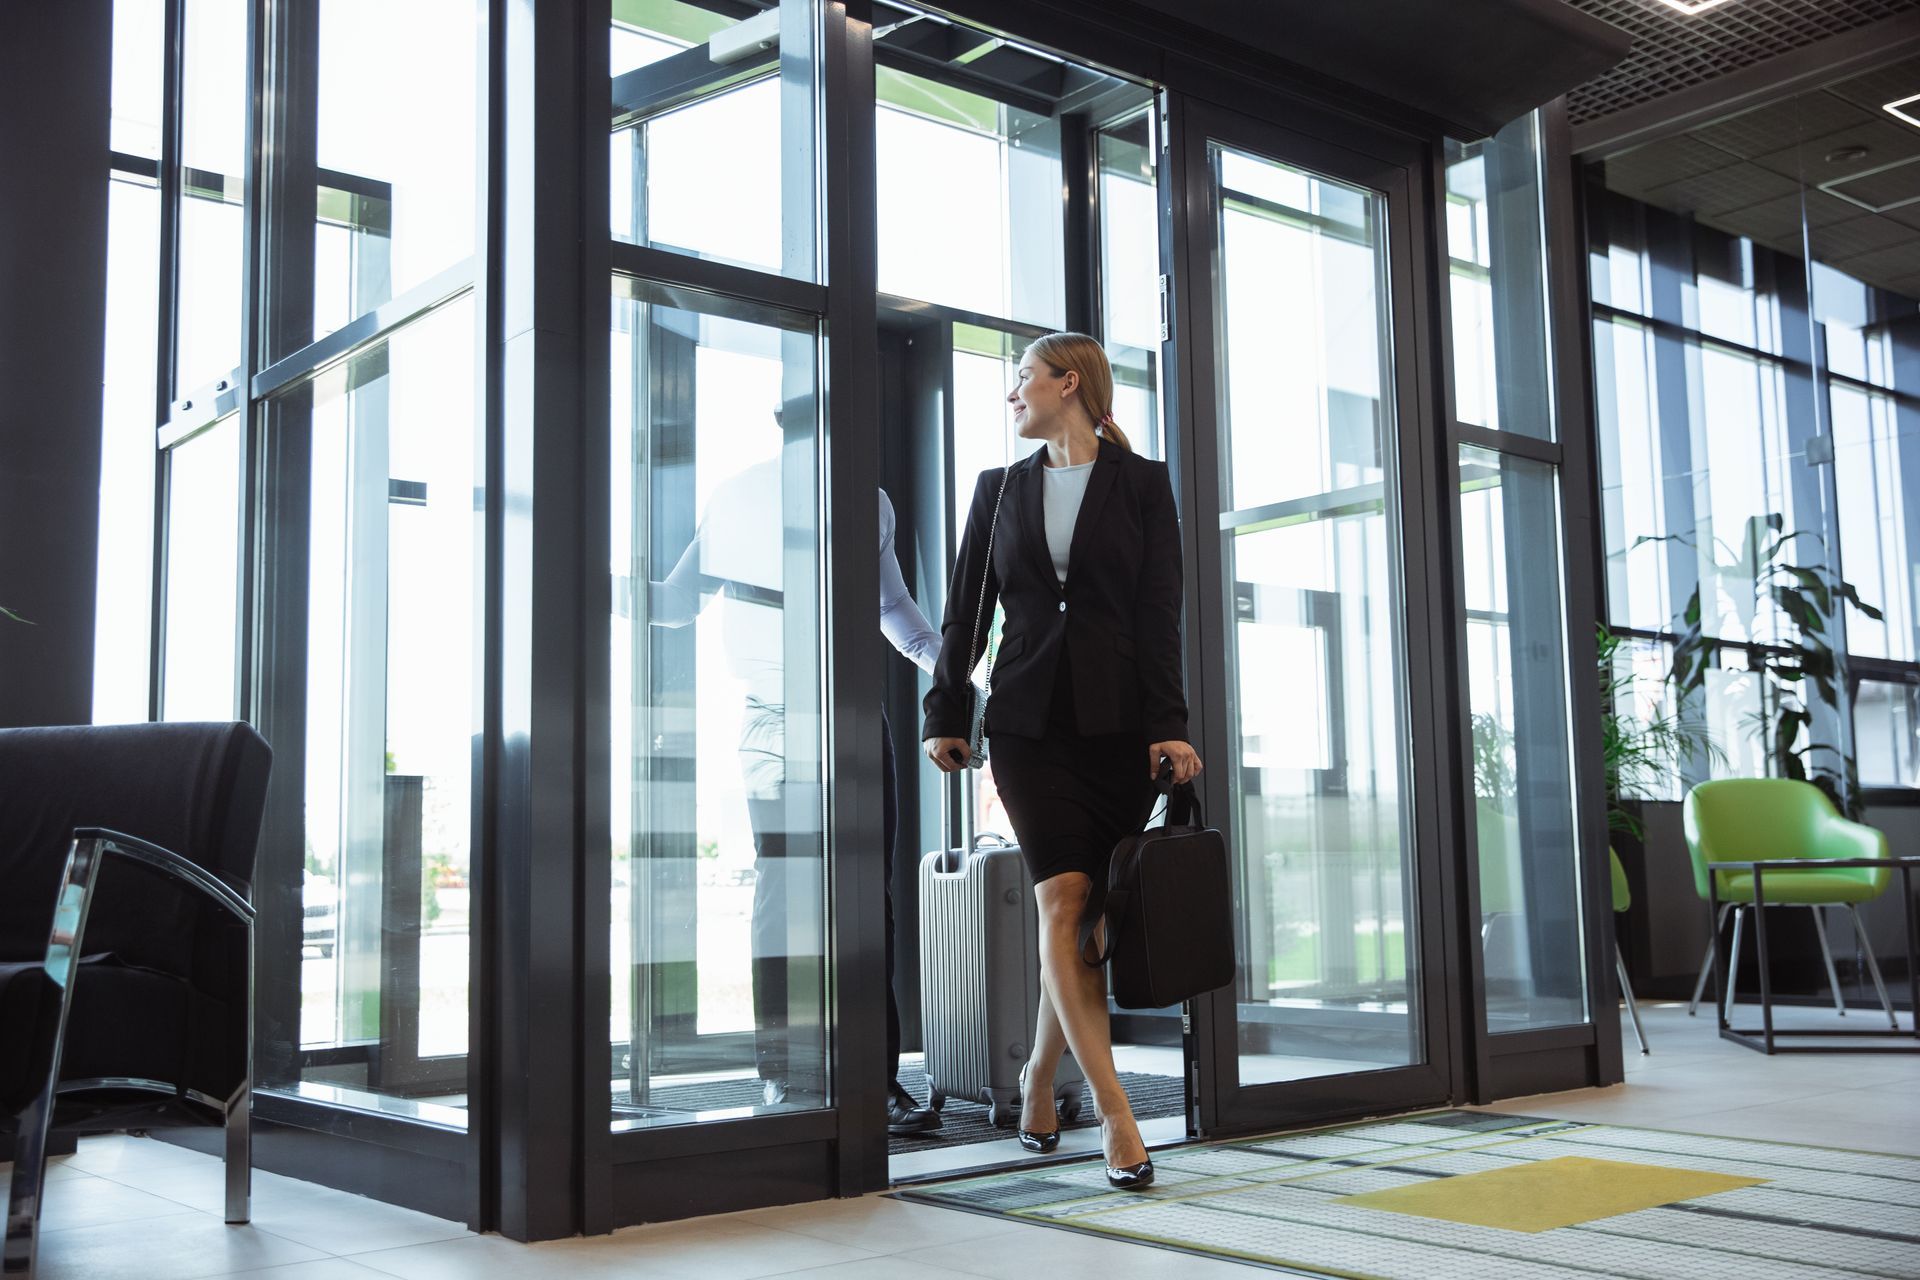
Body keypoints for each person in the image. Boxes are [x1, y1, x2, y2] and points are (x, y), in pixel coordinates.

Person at [922, 333, 1200, 1190]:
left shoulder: (1144, 484)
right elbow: (964, 612)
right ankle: (1120, 1118)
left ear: (1066, 382)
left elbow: (1160, 615)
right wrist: (947, 710)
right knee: (1063, 898)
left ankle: (1039, 1075)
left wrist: (1170, 723)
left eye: (1022, 381)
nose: (1013, 396)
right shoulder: (998, 490)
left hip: (1119, 730)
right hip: (1030, 727)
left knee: (1083, 926)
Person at [652, 439, 943, 1136]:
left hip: (851, 715)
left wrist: (950, 666)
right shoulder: (737, 494)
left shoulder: (869, 500)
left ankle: (876, 1083)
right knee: (785, 897)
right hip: (776, 720)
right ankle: (789, 1078)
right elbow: (676, 602)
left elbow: (893, 604)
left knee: (868, 895)